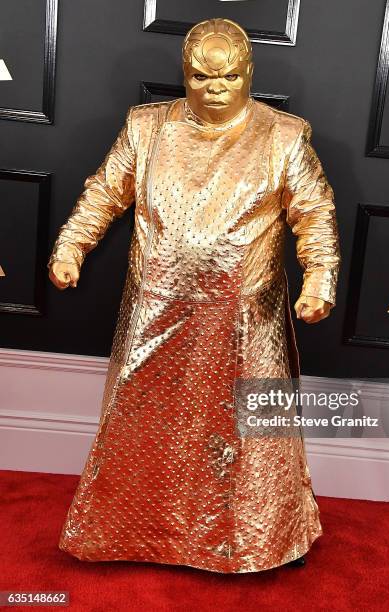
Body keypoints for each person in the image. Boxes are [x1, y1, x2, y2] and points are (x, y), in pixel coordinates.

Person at [48, 17, 341, 573]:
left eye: (230, 76)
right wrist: (70, 248)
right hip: (155, 307)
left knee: (250, 432)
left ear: (249, 73)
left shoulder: (283, 136)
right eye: (203, 77)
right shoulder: (146, 128)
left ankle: (259, 542)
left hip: (245, 318)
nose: (216, 88)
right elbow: (103, 194)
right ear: (185, 74)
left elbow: (315, 214)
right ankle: (134, 534)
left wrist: (320, 277)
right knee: (143, 425)